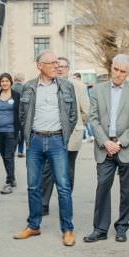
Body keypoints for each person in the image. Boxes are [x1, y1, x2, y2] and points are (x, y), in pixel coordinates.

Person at [14, 50, 77, 246]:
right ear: (39, 66)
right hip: (35, 141)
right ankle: (34, 225)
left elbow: (72, 115)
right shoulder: (29, 88)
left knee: (64, 187)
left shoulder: (66, 86)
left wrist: (64, 135)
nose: (56, 66)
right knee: (33, 186)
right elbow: (22, 115)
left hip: (57, 140)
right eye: (51, 63)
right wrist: (29, 136)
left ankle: (67, 230)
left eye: (57, 63)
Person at [83, 54, 129, 243]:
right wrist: (105, 141)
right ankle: (100, 229)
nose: (118, 74)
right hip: (104, 147)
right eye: (115, 69)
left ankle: (122, 227)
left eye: (122, 71)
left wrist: (119, 143)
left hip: (128, 147)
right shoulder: (97, 90)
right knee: (102, 186)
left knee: (128, 191)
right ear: (111, 67)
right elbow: (92, 118)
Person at [42, 56, 89, 215]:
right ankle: (43, 204)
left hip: (72, 135)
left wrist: (75, 126)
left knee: (68, 171)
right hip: (50, 135)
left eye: (63, 66)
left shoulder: (78, 86)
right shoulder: (47, 85)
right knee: (47, 170)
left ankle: (65, 203)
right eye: (57, 65)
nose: (60, 68)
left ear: (68, 69)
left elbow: (85, 111)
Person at [0, 72, 20, 194]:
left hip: (11, 131)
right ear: (0, 83)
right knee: (4, 156)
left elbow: (20, 113)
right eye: (2, 81)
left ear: (11, 82)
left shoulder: (16, 96)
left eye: (7, 81)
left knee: (9, 155)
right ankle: (11, 177)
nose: (4, 83)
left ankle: (9, 180)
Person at [12, 72, 26, 157]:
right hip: (22, 113)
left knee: (14, 132)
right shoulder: (24, 88)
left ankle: (13, 150)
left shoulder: (11, 87)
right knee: (22, 132)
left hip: (13, 112)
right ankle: (20, 151)